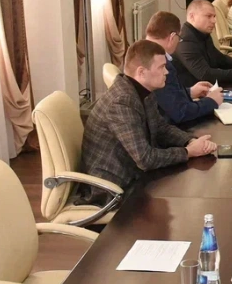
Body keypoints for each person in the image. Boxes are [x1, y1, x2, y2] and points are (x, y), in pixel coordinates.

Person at [79, 39, 217, 196]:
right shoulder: (122, 101)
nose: (166, 72)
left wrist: (190, 141)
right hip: (113, 188)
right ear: (142, 72)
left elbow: (161, 128)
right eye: (161, 67)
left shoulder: (143, 91)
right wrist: (188, 152)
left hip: (133, 175)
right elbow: (145, 159)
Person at [145, 11, 223, 125]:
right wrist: (211, 101)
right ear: (172, 37)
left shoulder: (140, 54)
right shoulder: (160, 65)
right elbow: (180, 112)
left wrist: (190, 92)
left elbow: (165, 97)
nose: (179, 42)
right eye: (179, 38)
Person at [174, 0, 232, 87]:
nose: (214, 21)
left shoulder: (202, 33)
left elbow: (219, 59)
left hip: (209, 88)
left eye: (214, 16)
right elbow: (205, 74)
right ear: (192, 16)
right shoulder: (185, 41)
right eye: (208, 16)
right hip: (192, 93)